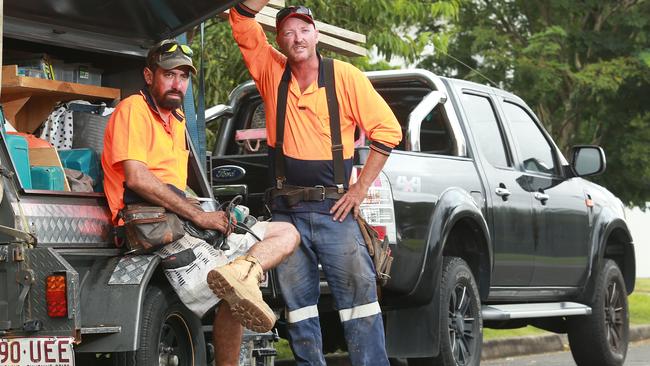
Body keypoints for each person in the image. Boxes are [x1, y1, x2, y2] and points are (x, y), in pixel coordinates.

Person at [101, 39, 300, 366]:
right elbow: (137, 177)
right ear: (149, 76)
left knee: (286, 233)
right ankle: (239, 281)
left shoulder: (177, 119)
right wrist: (200, 216)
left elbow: (173, 187)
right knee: (233, 297)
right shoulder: (133, 110)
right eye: (169, 75)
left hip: (181, 221)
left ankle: (243, 272)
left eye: (183, 76)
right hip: (147, 227)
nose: (178, 84)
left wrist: (213, 212)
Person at [229, 2, 402, 365]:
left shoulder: (345, 77)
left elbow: (389, 131)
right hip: (286, 213)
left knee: (361, 301)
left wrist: (358, 190)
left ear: (316, 34)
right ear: (279, 40)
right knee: (299, 308)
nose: (297, 38)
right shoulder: (270, 71)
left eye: (304, 29)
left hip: (334, 210)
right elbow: (242, 17)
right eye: (288, 32)